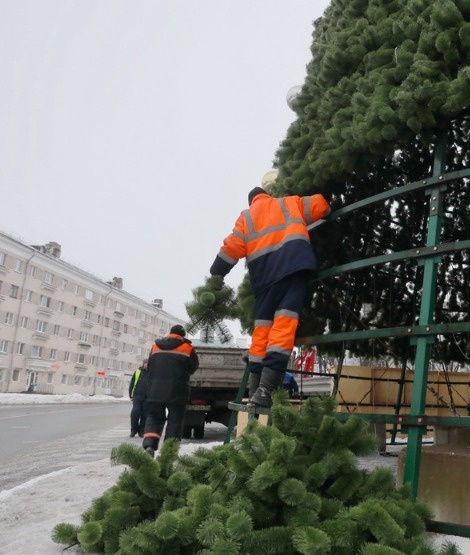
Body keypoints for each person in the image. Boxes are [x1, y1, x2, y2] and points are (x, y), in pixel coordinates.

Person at [210, 186, 330, 408]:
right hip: (293, 270)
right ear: (266, 195)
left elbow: (232, 246)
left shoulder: (246, 217)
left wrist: (217, 272)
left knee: (262, 332)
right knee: (283, 327)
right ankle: (266, 390)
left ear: (251, 202)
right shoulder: (287, 202)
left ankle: (256, 389)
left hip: (264, 282)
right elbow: (321, 205)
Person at [141, 325, 199, 455]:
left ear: (170, 333)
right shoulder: (187, 347)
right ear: (182, 335)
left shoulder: (155, 346)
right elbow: (192, 367)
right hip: (177, 390)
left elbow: (149, 366)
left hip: (155, 390)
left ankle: (149, 445)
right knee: (175, 420)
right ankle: (169, 451)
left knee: (154, 417)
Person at [127, 359, 148, 437]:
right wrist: (130, 395)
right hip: (137, 396)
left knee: (145, 415)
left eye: (148, 363)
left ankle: (141, 431)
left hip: (147, 397)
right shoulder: (138, 371)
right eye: (145, 363)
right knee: (135, 412)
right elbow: (132, 383)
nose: (147, 365)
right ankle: (133, 430)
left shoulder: (152, 373)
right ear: (143, 364)